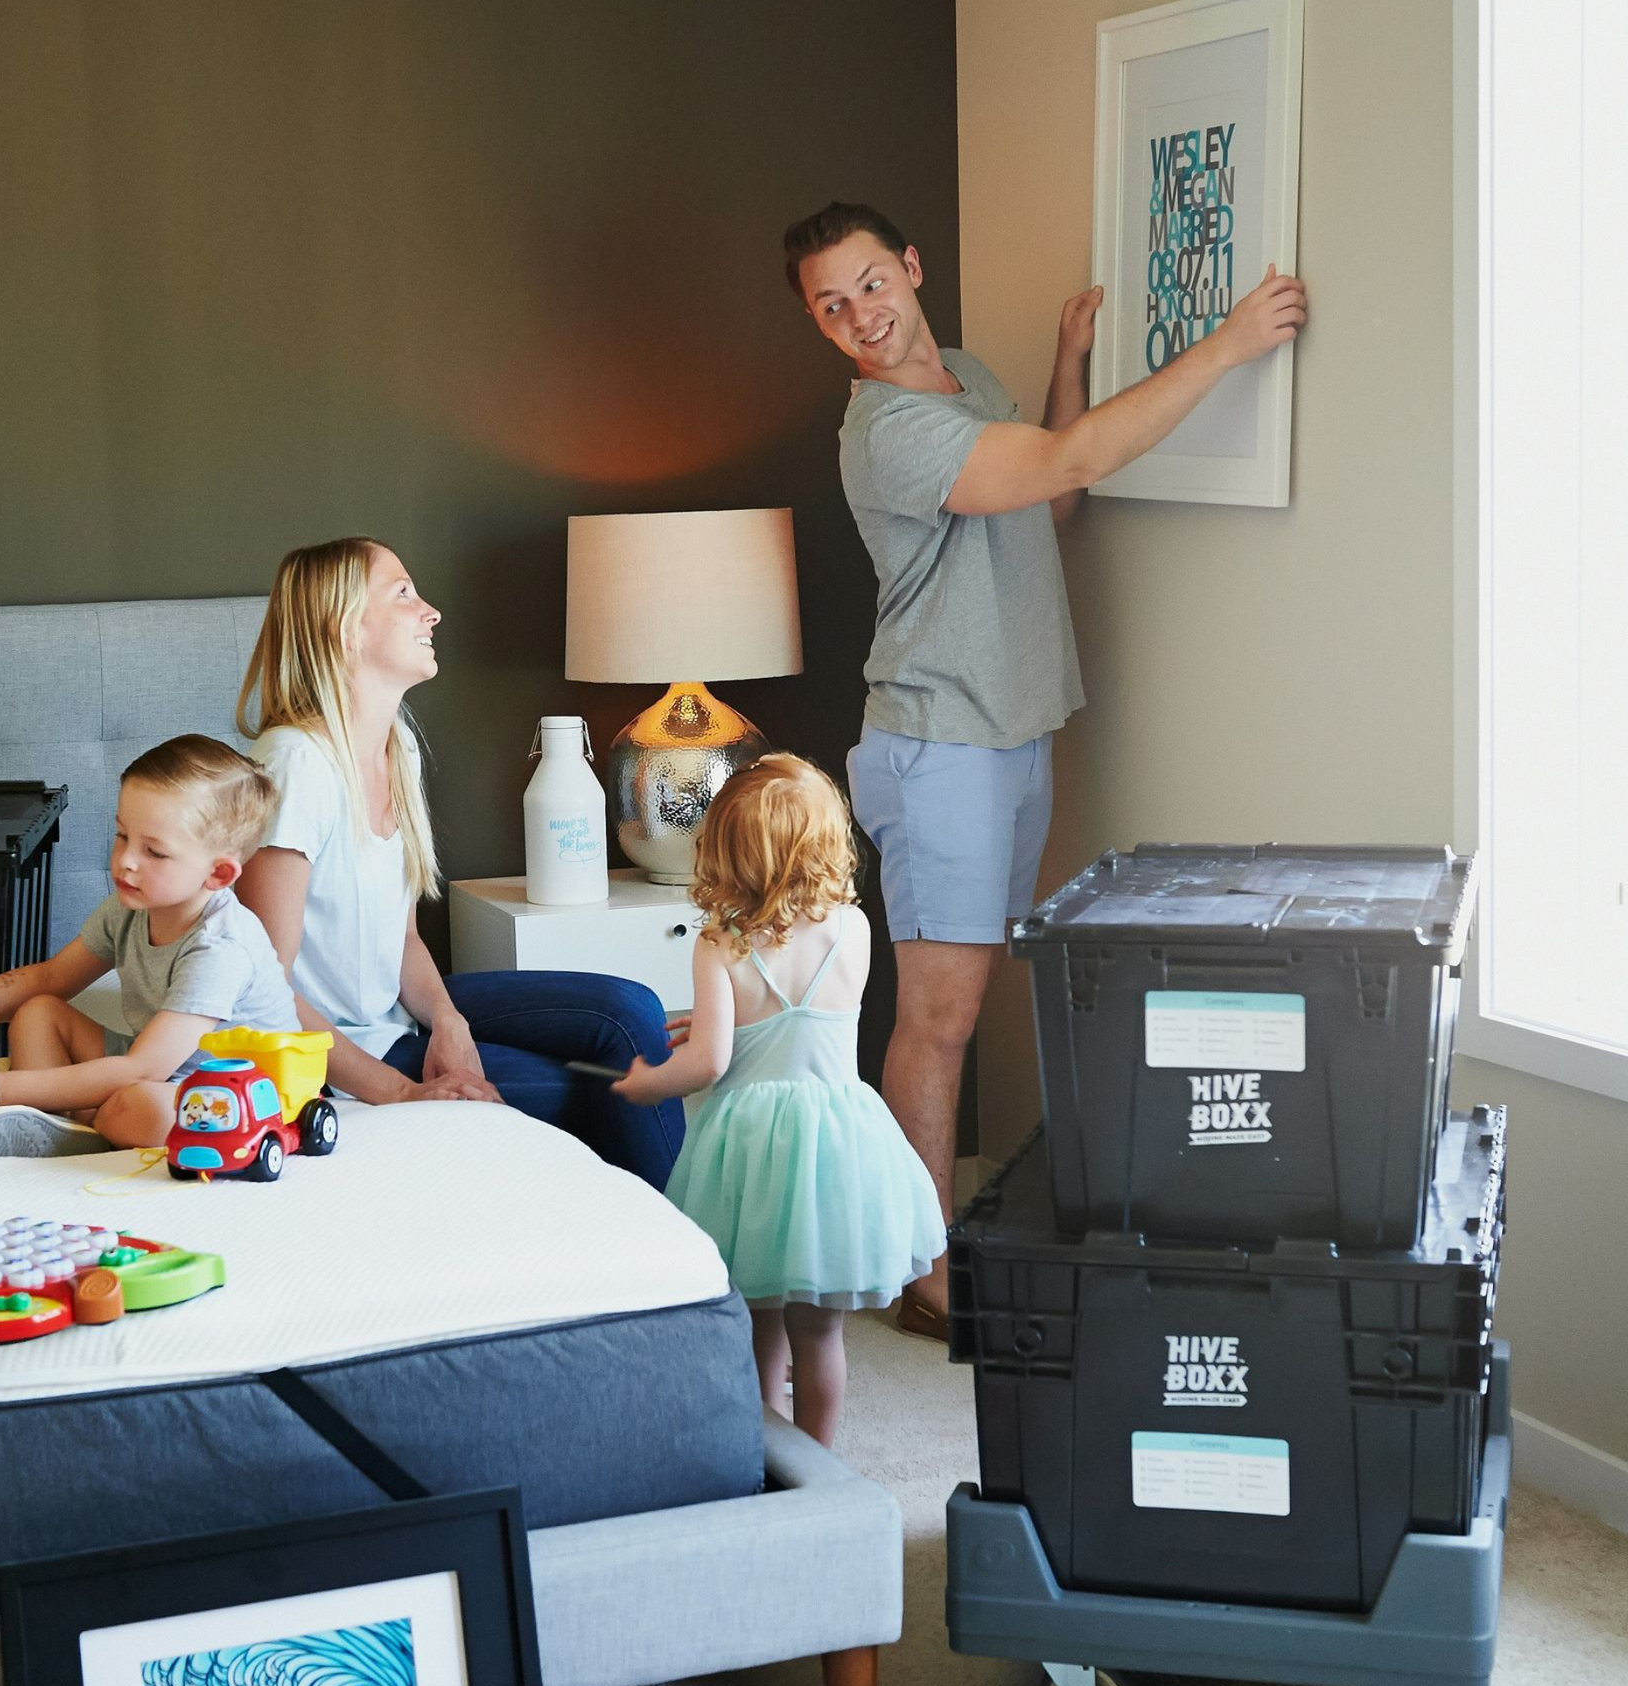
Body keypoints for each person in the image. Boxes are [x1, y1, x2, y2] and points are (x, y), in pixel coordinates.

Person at [783, 200, 1307, 1336]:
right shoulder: (884, 434)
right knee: (941, 1016)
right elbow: (1068, 462)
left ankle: (930, 1243)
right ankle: (920, 1270)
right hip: (942, 743)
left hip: (1009, 733)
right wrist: (1226, 343)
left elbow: (1054, 494)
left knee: (965, 1004)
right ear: (822, 328)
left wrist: (1066, 362)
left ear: (911, 267)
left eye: (871, 283)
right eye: (833, 306)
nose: (861, 316)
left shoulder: (963, 375)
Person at [235, 537, 683, 1189]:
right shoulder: (296, 764)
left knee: (630, 1009)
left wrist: (448, 1022)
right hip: (342, 1048)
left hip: (395, 1015)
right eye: (404, 593)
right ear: (345, 628)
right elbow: (263, 989)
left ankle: (687, 1252)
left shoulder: (398, 748)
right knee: (575, 1093)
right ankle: (667, 1264)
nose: (432, 611)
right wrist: (396, 1092)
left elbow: (404, 938)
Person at [614, 754, 944, 1447]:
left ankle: (769, 1457)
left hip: (752, 1152)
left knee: (760, 1321)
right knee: (821, 1334)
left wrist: (648, 1084)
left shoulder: (719, 942)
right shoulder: (851, 928)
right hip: (835, 1141)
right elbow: (802, 1022)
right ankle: (822, 1460)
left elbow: (709, 1061)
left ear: (726, 851)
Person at [0, 735, 299, 1155]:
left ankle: (61, 1110)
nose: (126, 860)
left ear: (218, 874)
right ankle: (58, 1114)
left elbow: (145, 1068)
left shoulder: (220, 947)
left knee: (145, 1107)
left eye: (155, 852)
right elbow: (51, 977)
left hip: (231, 1092)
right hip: (151, 1067)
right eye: (122, 835)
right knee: (39, 1012)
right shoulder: (129, 907)